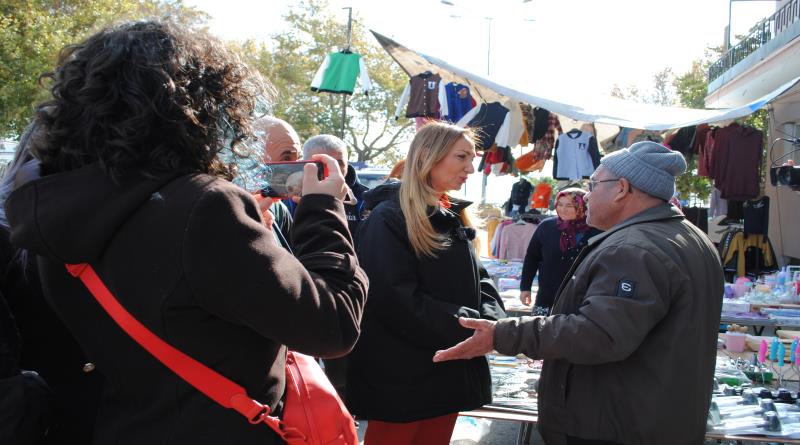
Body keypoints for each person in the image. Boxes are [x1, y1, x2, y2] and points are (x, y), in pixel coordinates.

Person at [5, 21, 368, 445]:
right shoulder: (203, 206)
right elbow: (333, 325)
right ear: (198, 108)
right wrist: (324, 207)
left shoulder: (51, 212)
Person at [434, 141, 723, 445]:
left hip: (616, 427)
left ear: (622, 188)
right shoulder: (689, 237)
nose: (587, 195)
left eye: (594, 184)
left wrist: (502, 335)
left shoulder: (634, 249)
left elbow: (598, 334)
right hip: (652, 419)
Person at [347, 122, 506, 445]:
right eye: (462, 157)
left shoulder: (450, 213)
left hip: (447, 371)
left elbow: (482, 280)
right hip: (403, 377)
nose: (470, 168)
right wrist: (469, 328)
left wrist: (492, 324)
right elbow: (393, 297)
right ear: (429, 157)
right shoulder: (389, 217)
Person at [519, 188, 601, 315]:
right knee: (541, 332)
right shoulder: (546, 227)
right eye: (560, 204)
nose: (563, 209)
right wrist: (525, 287)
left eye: (569, 205)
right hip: (547, 299)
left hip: (582, 300)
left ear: (583, 206)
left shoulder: (596, 229)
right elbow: (532, 258)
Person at [301, 135, 369, 235]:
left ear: (347, 163)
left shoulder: (365, 199)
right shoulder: (288, 196)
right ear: (304, 164)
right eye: (322, 163)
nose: (333, 168)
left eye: (339, 163)